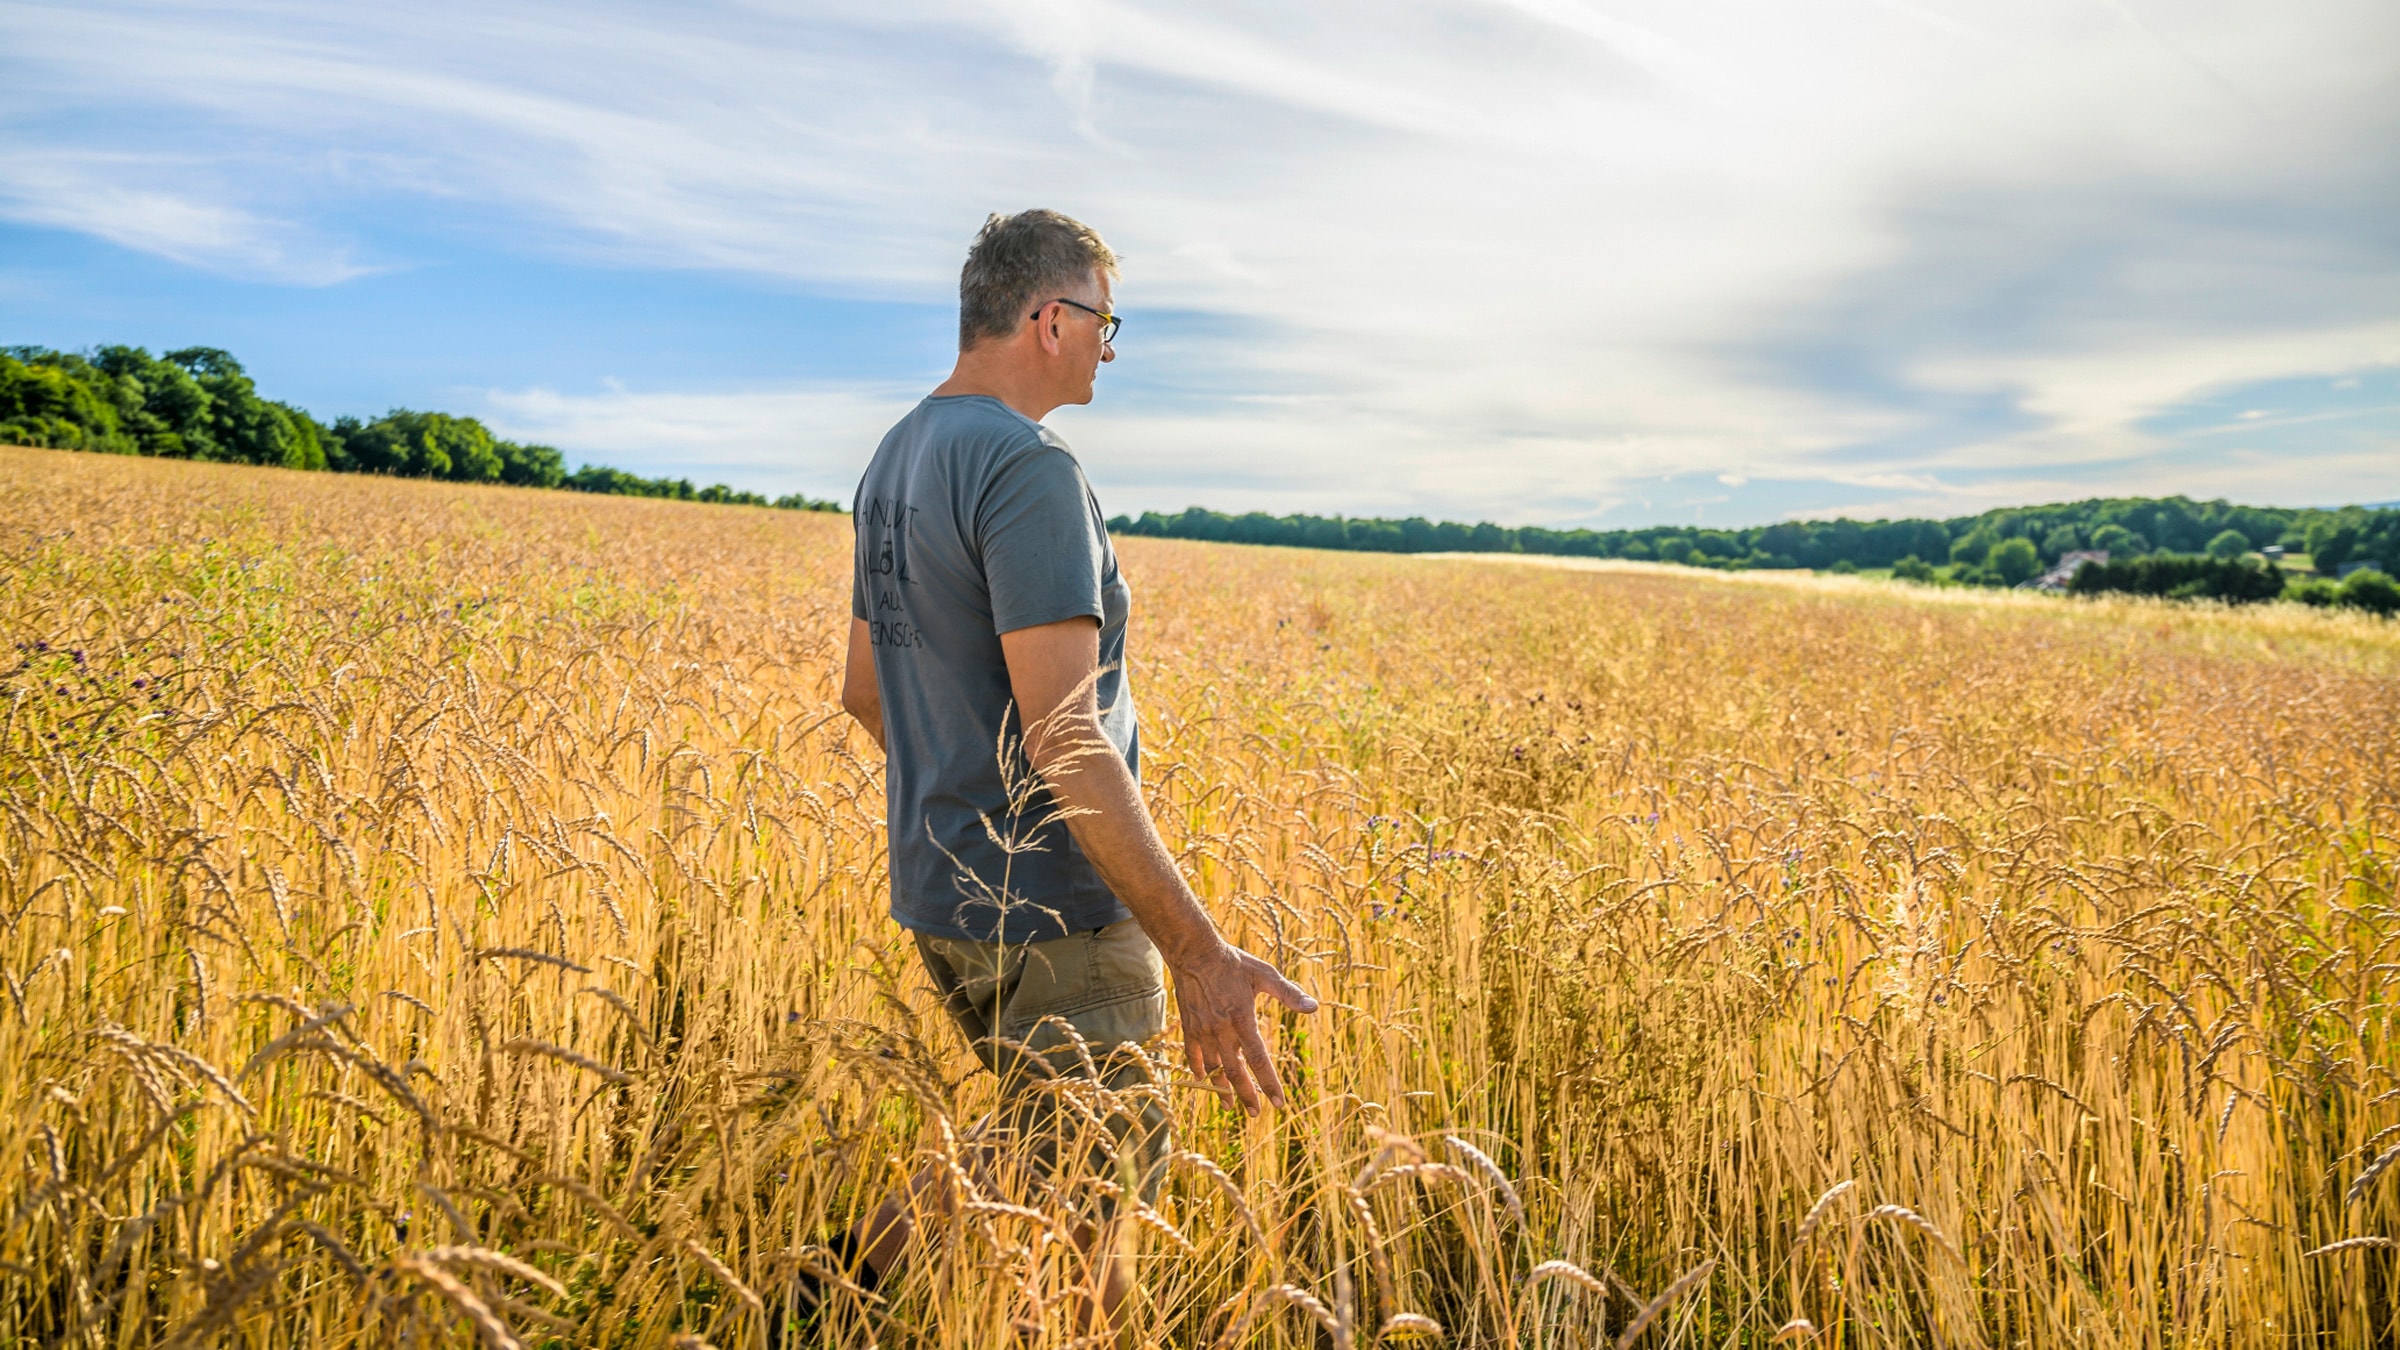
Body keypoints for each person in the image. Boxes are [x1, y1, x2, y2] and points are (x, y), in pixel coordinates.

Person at [832, 209, 1318, 1336]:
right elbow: (1070, 737)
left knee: (1030, 1141)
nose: (1110, 345)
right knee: (1097, 1203)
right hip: (1055, 909)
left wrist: (963, 802)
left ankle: (825, 1299)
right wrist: (1200, 953)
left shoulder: (897, 453)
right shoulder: (1028, 465)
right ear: (1049, 318)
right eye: (1105, 321)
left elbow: (864, 689)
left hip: (944, 887)